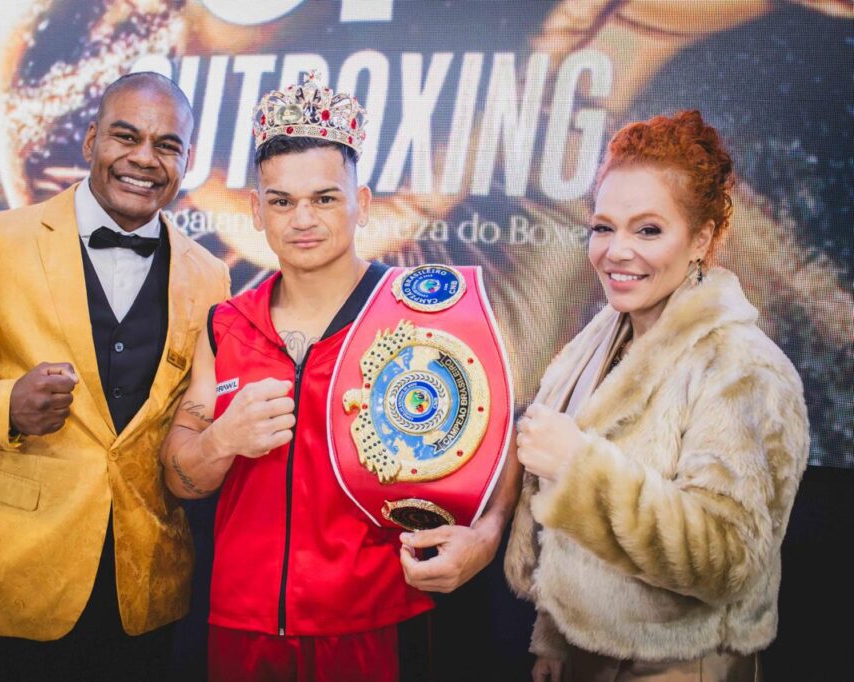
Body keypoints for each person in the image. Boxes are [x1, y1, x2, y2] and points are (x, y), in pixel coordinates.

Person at [159, 72, 520, 681]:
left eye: (325, 198)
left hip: (378, 625)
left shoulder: (420, 307)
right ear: (256, 210)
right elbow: (178, 474)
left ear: (364, 204)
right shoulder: (226, 325)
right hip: (242, 631)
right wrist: (223, 440)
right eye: (281, 201)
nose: (303, 219)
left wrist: (485, 537)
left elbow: (500, 440)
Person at [0, 71, 230, 681]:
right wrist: (5, 408)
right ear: (92, 139)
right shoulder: (0, 241)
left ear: (187, 160)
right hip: (20, 575)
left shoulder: (210, 276)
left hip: (146, 588)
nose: (144, 159)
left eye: (167, 145)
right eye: (125, 137)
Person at [506, 109, 809, 681]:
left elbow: (727, 560)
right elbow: (569, 537)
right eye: (603, 227)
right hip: (588, 656)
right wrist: (556, 636)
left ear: (703, 239)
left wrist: (580, 467)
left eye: (647, 230)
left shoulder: (743, 369)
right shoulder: (598, 340)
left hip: (681, 666)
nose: (617, 251)